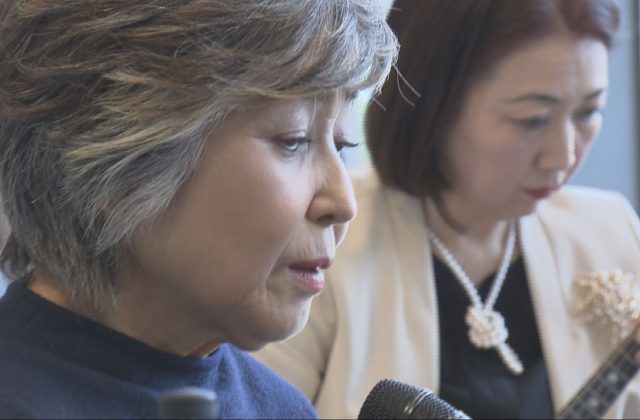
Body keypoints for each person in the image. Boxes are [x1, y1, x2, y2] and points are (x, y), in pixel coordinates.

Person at [0, 1, 397, 418]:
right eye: (293, 141)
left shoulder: (283, 411)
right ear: (117, 157)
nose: (343, 202)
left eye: (342, 144)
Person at [255, 0, 640, 418]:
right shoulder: (325, 244)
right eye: (532, 119)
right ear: (434, 105)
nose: (563, 156)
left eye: (588, 112)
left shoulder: (609, 231)